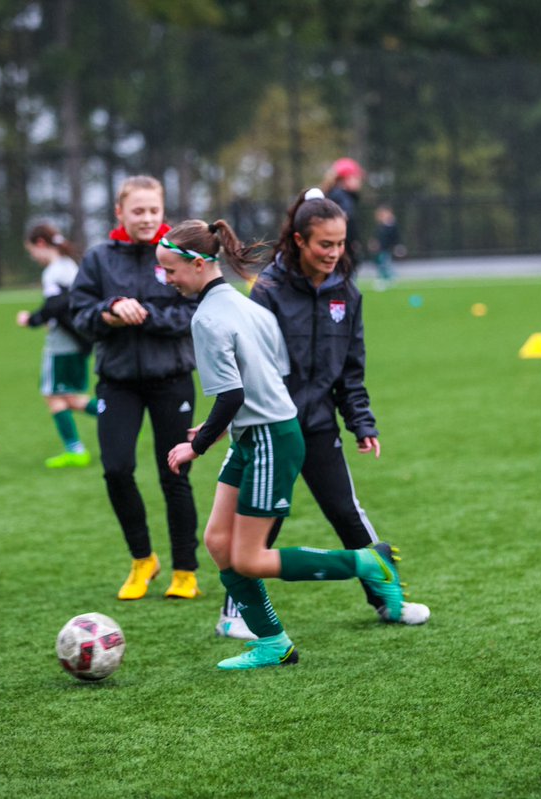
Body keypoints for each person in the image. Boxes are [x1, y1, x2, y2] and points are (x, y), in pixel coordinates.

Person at [159, 218, 412, 671]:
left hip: (270, 437)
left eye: (171, 270)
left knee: (250, 558)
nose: (168, 279)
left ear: (198, 265)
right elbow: (266, 378)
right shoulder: (249, 307)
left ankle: (368, 563)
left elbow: (233, 394)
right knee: (218, 541)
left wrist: (198, 445)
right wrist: (220, 427)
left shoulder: (209, 317)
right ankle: (273, 643)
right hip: (257, 432)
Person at [211, 189, 430, 640]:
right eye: (323, 244)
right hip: (271, 427)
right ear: (298, 241)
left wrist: (361, 422)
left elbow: (351, 368)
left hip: (318, 425)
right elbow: (246, 364)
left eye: (340, 243)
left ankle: (388, 601)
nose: (333, 253)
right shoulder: (267, 292)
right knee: (261, 521)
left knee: (347, 513)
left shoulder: (346, 294)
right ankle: (235, 613)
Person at [70, 176, 202, 601]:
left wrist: (143, 316)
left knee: (175, 474)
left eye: (153, 211)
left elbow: (194, 313)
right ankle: (143, 559)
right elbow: (79, 314)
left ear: (164, 213)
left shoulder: (182, 256)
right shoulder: (98, 259)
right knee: (116, 469)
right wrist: (108, 312)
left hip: (172, 380)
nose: (146, 219)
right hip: (118, 382)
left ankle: (185, 569)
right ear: (119, 213)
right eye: (138, 211)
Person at [17, 223, 98, 468]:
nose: (33, 257)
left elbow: (56, 305)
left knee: (54, 396)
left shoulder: (53, 271)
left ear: (41, 244)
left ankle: (77, 447)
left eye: (32, 251)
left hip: (62, 345)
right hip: (78, 341)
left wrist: (32, 319)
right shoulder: (69, 266)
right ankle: (110, 416)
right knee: (68, 397)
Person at [322, 157, 365, 264]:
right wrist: (352, 243)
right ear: (346, 178)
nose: (360, 182)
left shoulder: (336, 195)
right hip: (344, 254)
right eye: (357, 177)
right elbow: (347, 222)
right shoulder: (342, 198)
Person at [370, 204, 400, 290]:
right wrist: (374, 243)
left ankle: (388, 278)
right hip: (380, 249)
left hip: (386, 248)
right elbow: (377, 237)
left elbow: (395, 237)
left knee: (385, 263)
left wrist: (396, 246)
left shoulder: (391, 225)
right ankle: (388, 277)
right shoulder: (381, 225)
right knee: (382, 264)